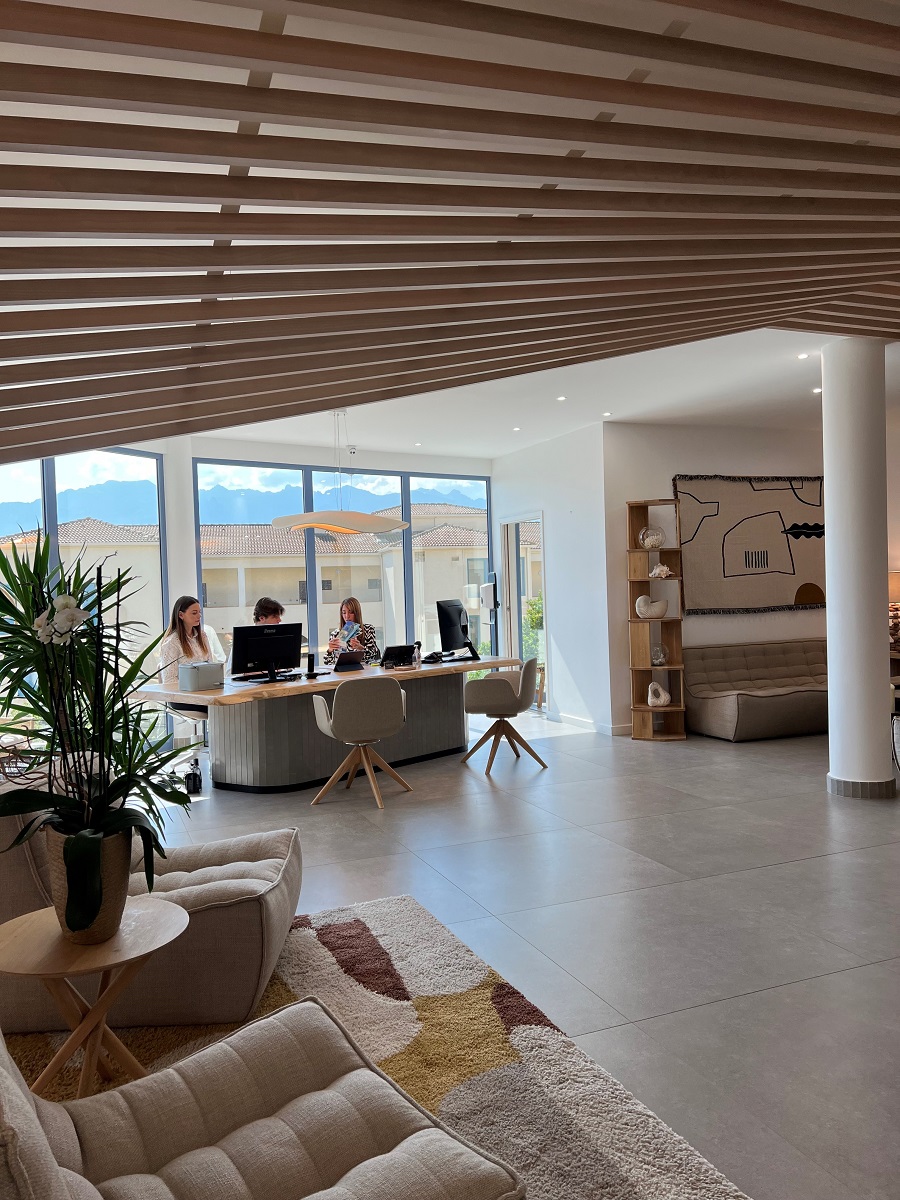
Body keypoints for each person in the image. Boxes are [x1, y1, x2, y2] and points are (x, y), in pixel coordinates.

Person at [159, 595, 225, 686]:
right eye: (194, 613)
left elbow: (210, 666)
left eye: (199, 612)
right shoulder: (172, 642)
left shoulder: (202, 636)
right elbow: (169, 680)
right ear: (181, 615)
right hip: (184, 692)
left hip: (204, 688)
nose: (199, 615)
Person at [324, 596, 380, 665]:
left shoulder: (368, 629)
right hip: (343, 670)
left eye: (351, 612)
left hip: (363, 670)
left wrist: (360, 648)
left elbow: (374, 656)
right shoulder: (335, 634)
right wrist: (330, 650)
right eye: (344, 613)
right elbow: (327, 663)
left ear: (357, 613)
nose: (347, 616)